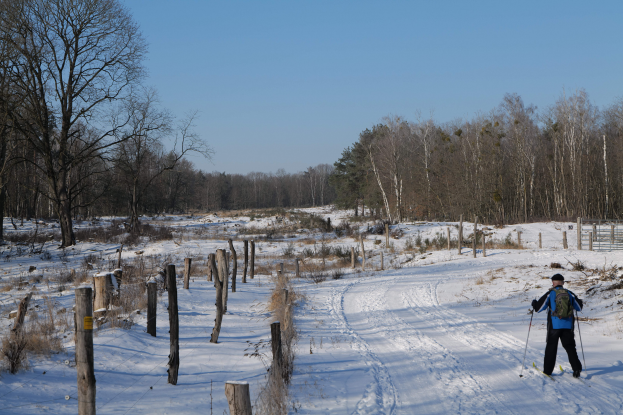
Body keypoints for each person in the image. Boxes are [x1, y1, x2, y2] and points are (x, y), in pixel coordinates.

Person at [531, 273, 584, 377]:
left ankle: (547, 371)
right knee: (570, 347)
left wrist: (534, 303)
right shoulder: (569, 293)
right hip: (568, 326)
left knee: (551, 347)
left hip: (554, 326)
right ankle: (577, 369)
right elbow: (579, 307)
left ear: (553, 282)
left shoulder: (550, 293)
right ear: (563, 283)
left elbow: (538, 308)